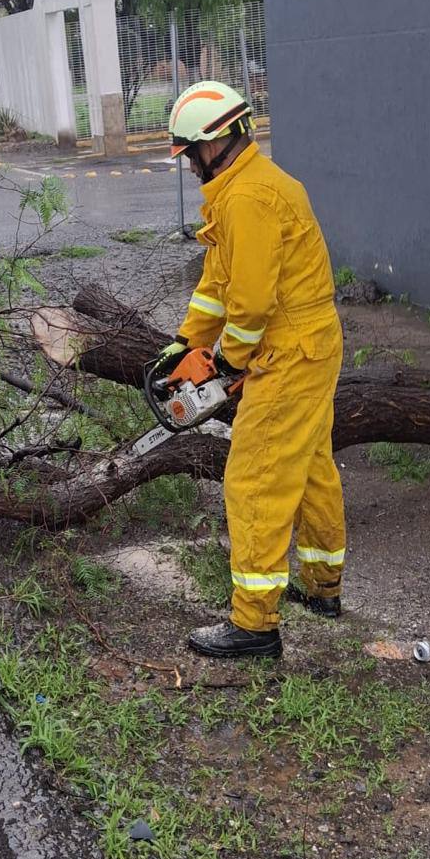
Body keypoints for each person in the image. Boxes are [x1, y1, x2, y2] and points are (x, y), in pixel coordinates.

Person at [154, 81, 346, 659]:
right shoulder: (243, 189)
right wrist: (186, 342)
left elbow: (253, 306)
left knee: (254, 477)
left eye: (190, 153)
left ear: (214, 144)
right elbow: (218, 287)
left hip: (290, 352)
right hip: (308, 344)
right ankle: (323, 588)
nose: (188, 165)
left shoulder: (249, 201)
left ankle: (254, 624)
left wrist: (226, 364)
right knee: (309, 466)